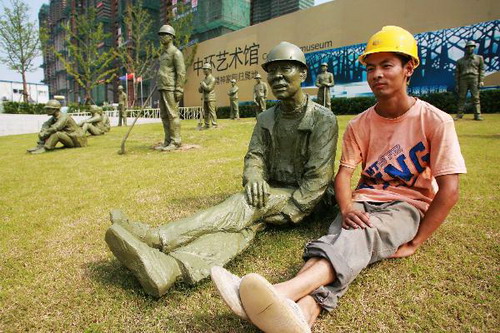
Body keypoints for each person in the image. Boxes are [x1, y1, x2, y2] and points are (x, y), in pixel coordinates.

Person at [211, 26, 467, 333]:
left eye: (387, 66)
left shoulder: (435, 121)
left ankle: (281, 292)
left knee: (358, 238)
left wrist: (417, 240)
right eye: (371, 68)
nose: (377, 75)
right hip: (362, 200)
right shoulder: (360, 123)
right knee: (339, 240)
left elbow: (449, 190)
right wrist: (346, 208)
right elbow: (343, 174)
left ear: (409, 68)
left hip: (407, 206)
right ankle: (304, 313)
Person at [105, 41, 338, 298]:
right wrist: (254, 178)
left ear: (303, 73)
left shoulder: (322, 119)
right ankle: (172, 268)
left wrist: (293, 209)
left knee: (244, 205)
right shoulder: (266, 118)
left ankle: (156, 237)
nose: (278, 77)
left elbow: (319, 176)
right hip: (272, 191)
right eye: (273, 71)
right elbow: (255, 157)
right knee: (240, 230)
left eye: (286, 69)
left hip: (306, 200)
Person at [155, 24, 186, 151]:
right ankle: (167, 140)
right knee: (164, 115)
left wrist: (179, 89)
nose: (161, 37)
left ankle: (176, 141)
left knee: (172, 115)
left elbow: (181, 72)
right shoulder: (162, 54)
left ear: (171, 37)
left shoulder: (176, 53)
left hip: (170, 87)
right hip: (162, 86)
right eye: (160, 35)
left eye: (164, 35)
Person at [455, 41, 484, 121]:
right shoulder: (460, 61)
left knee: (476, 97)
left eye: (471, 46)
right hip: (463, 79)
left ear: (474, 47)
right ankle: (459, 114)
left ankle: (477, 115)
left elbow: (482, 70)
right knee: (461, 97)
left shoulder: (479, 58)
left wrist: (481, 80)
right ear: (465, 49)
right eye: (468, 47)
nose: (470, 48)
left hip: (474, 78)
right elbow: (457, 73)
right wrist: (457, 84)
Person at [198, 63, 218, 128]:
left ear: (209, 70)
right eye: (203, 69)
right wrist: (201, 87)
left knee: (212, 111)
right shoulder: (204, 79)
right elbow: (200, 91)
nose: (203, 70)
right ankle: (207, 124)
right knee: (206, 112)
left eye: (205, 69)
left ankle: (214, 124)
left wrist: (203, 84)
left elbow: (209, 88)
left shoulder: (213, 79)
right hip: (205, 98)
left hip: (211, 97)